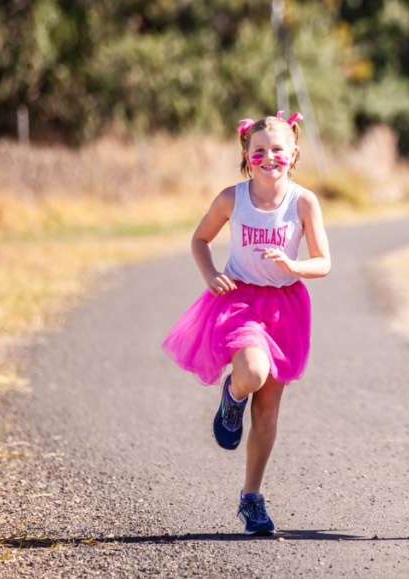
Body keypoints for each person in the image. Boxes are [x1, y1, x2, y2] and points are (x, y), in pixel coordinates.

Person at [162, 111, 331, 536]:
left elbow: (324, 262)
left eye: (278, 150)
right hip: (239, 299)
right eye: (259, 151)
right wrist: (209, 273)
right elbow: (200, 239)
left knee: (270, 411)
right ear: (245, 154)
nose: (269, 157)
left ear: (293, 155)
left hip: (286, 307)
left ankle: (251, 498)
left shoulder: (304, 201)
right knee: (252, 372)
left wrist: (294, 264)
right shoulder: (231, 199)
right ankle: (232, 397)